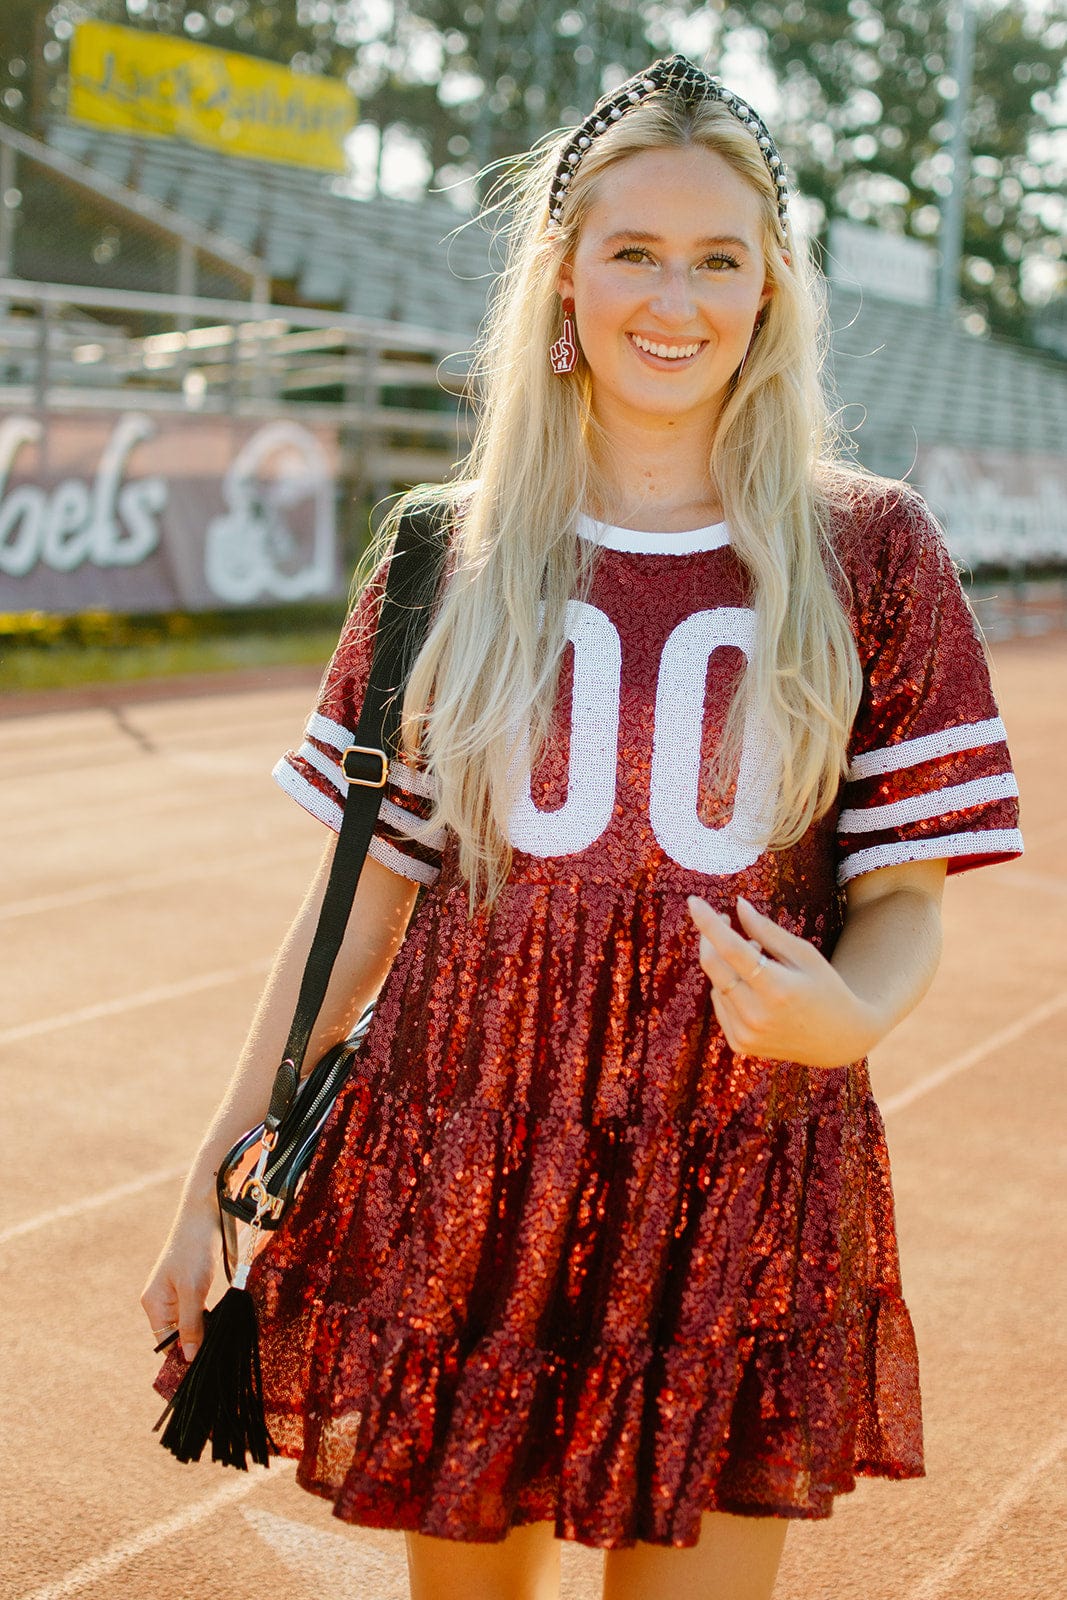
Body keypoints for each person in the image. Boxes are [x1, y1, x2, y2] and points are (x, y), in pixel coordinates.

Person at [143, 54, 1023, 1600]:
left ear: (771, 293)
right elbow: (364, 903)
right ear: (564, 278)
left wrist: (850, 1013)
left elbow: (908, 897)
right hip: (476, 1147)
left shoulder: (869, 549)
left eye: (716, 257)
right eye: (630, 250)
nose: (670, 297)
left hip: (742, 1151)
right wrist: (215, 1171)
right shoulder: (451, 551)